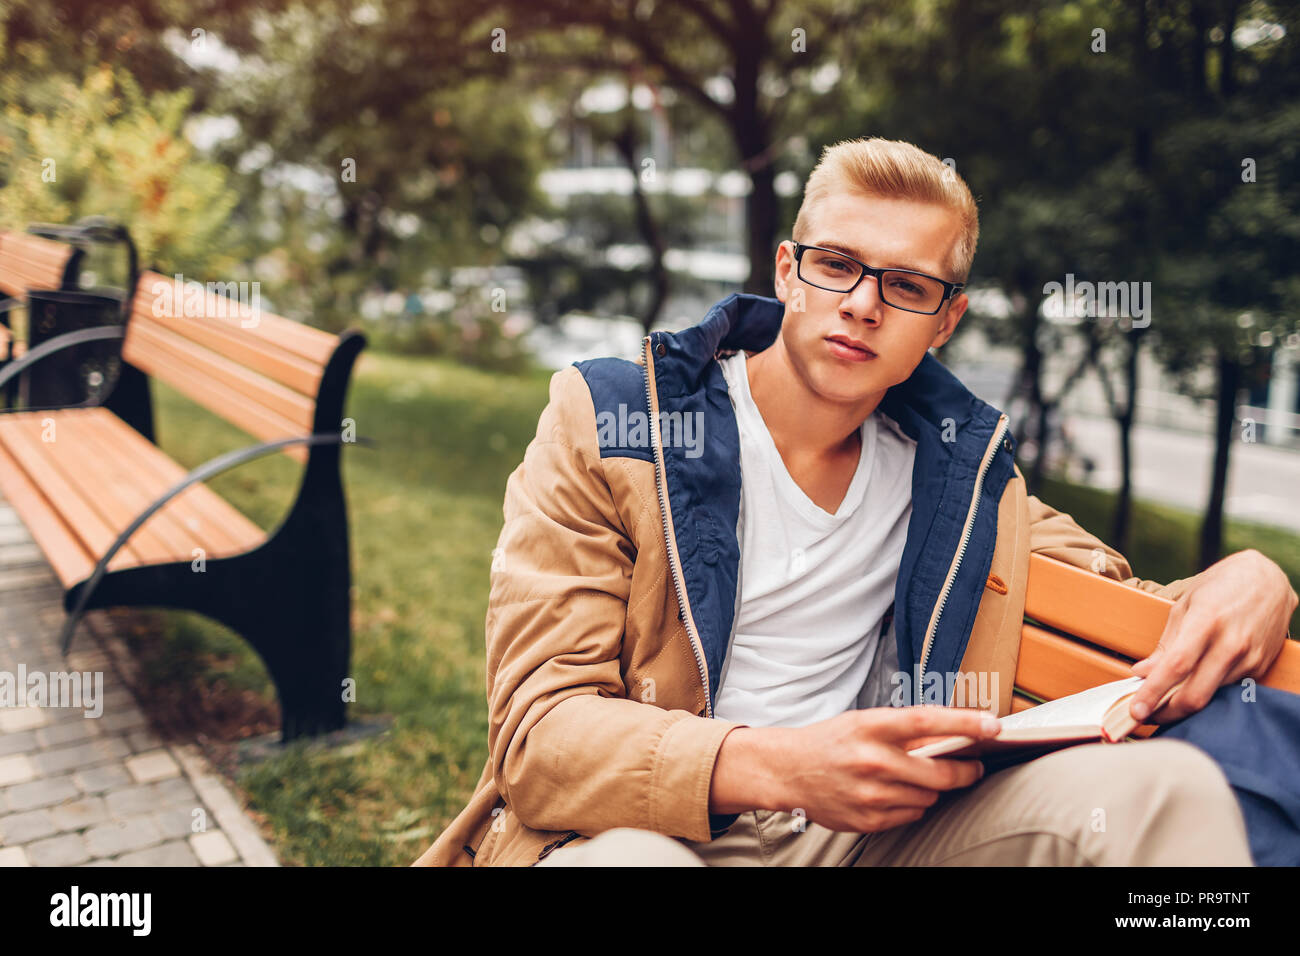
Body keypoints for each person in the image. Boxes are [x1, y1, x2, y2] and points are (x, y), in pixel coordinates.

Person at [414, 138, 1298, 867]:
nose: (864, 306)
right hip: (646, 829)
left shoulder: (958, 473)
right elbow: (538, 737)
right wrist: (778, 766)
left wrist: (1257, 575)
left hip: (861, 841)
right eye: (838, 266)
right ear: (789, 271)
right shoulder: (612, 421)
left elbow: (1139, 606)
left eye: (907, 286)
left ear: (944, 321)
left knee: (1162, 793)